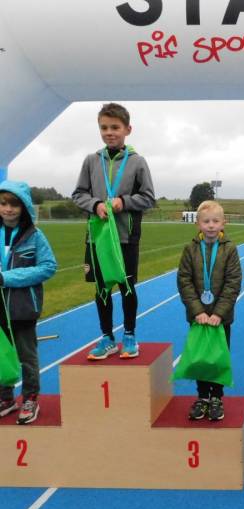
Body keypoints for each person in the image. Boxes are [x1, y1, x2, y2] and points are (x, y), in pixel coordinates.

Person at [72, 102, 155, 360]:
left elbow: (148, 198)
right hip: (97, 238)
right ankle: (107, 337)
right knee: (102, 289)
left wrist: (123, 202)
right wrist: (95, 204)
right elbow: (78, 194)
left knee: (127, 286)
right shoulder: (91, 161)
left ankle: (129, 335)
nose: (109, 132)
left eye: (115, 127)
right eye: (104, 127)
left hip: (125, 237)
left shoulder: (138, 162)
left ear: (128, 129)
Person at [178, 200, 242, 421]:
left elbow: (233, 283)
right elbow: (184, 281)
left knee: (218, 358)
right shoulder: (190, 249)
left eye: (216, 221)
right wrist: (198, 311)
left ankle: (217, 397)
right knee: (200, 357)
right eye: (206, 221)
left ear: (224, 223)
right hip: (198, 317)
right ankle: (203, 396)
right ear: (198, 224)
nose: (211, 225)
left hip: (220, 318)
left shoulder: (230, 249)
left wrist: (218, 313)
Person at [0, 181, 57, 424]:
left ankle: (30, 398)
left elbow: (48, 267)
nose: (8, 209)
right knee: (2, 354)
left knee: (26, 356)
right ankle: (5, 398)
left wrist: (7, 278)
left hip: (23, 307)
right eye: (3, 203)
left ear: (23, 207)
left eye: (14, 204)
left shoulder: (35, 236)